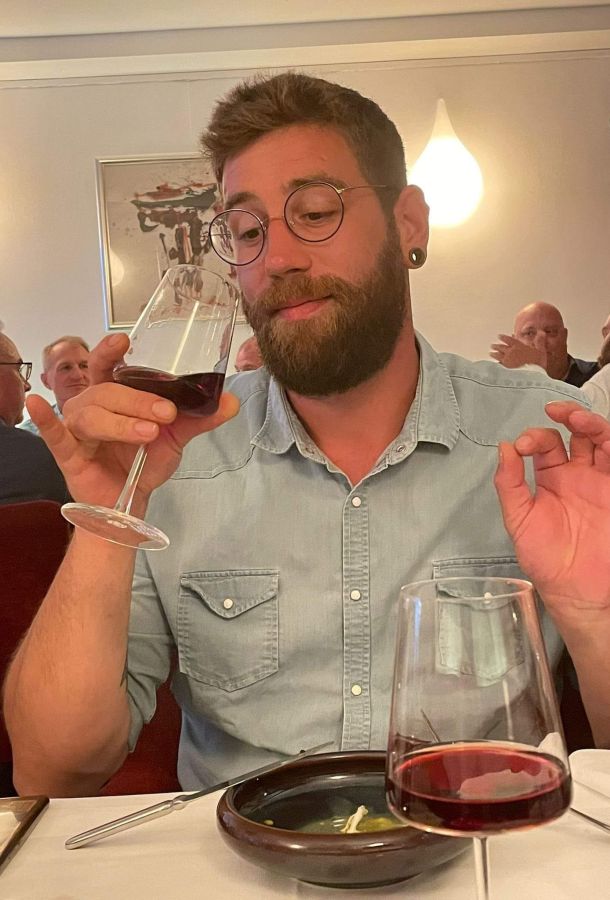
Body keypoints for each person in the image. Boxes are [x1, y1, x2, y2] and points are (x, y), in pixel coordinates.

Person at [5, 73, 610, 799]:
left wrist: (594, 619)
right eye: (247, 231)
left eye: (316, 212)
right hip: (241, 851)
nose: (277, 258)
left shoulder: (548, 438)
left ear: (409, 223)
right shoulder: (170, 457)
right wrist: (110, 517)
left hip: (480, 838)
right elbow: (55, 770)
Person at [0, 333, 69, 505]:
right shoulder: (38, 457)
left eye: (84, 366)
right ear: (46, 380)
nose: (27, 385)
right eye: (19, 370)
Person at [490, 302, 599, 386]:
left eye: (550, 331)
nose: (540, 341)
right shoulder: (493, 382)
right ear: (515, 341)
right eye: (529, 333)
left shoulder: (598, 376)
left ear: (565, 336)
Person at [20, 336, 90, 435]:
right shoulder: (29, 435)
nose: (78, 375)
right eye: (66, 367)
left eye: (84, 366)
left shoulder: (111, 419)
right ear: (46, 381)